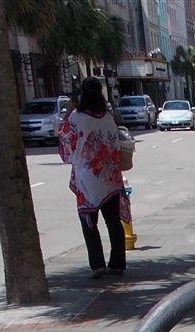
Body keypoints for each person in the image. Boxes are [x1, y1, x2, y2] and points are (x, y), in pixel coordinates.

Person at [57, 78, 129, 278]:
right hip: (110, 176)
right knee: (113, 222)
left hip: (88, 177)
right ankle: (117, 264)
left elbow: (65, 141)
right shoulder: (107, 117)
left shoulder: (77, 117)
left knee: (89, 222)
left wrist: (69, 112)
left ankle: (97, 264)